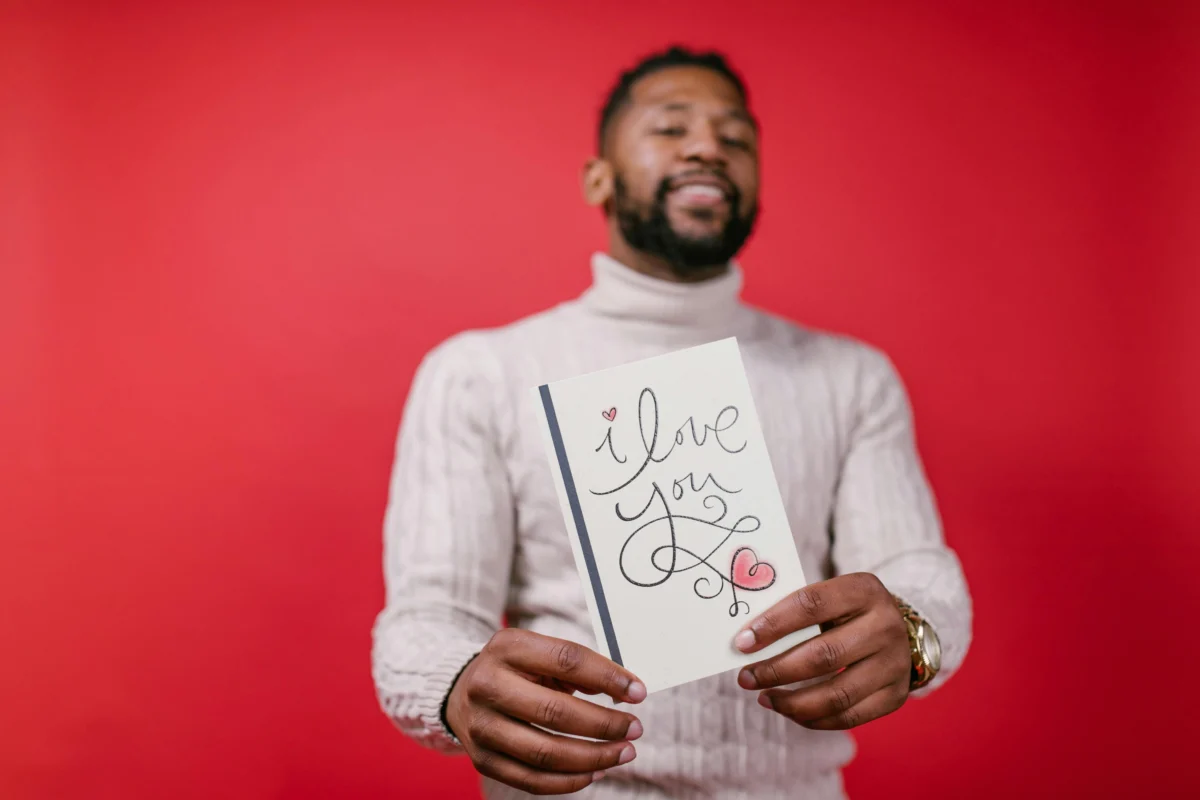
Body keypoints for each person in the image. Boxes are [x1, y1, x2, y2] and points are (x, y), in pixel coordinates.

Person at [372, 46, 972, 799]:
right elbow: (428, 615)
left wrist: (916, 634)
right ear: (599, 177)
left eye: (736, 137)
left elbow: (917, 566)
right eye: (671, 127)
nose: (706, 147)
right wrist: (454, 686)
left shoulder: (850, 378)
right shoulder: (479, 373)